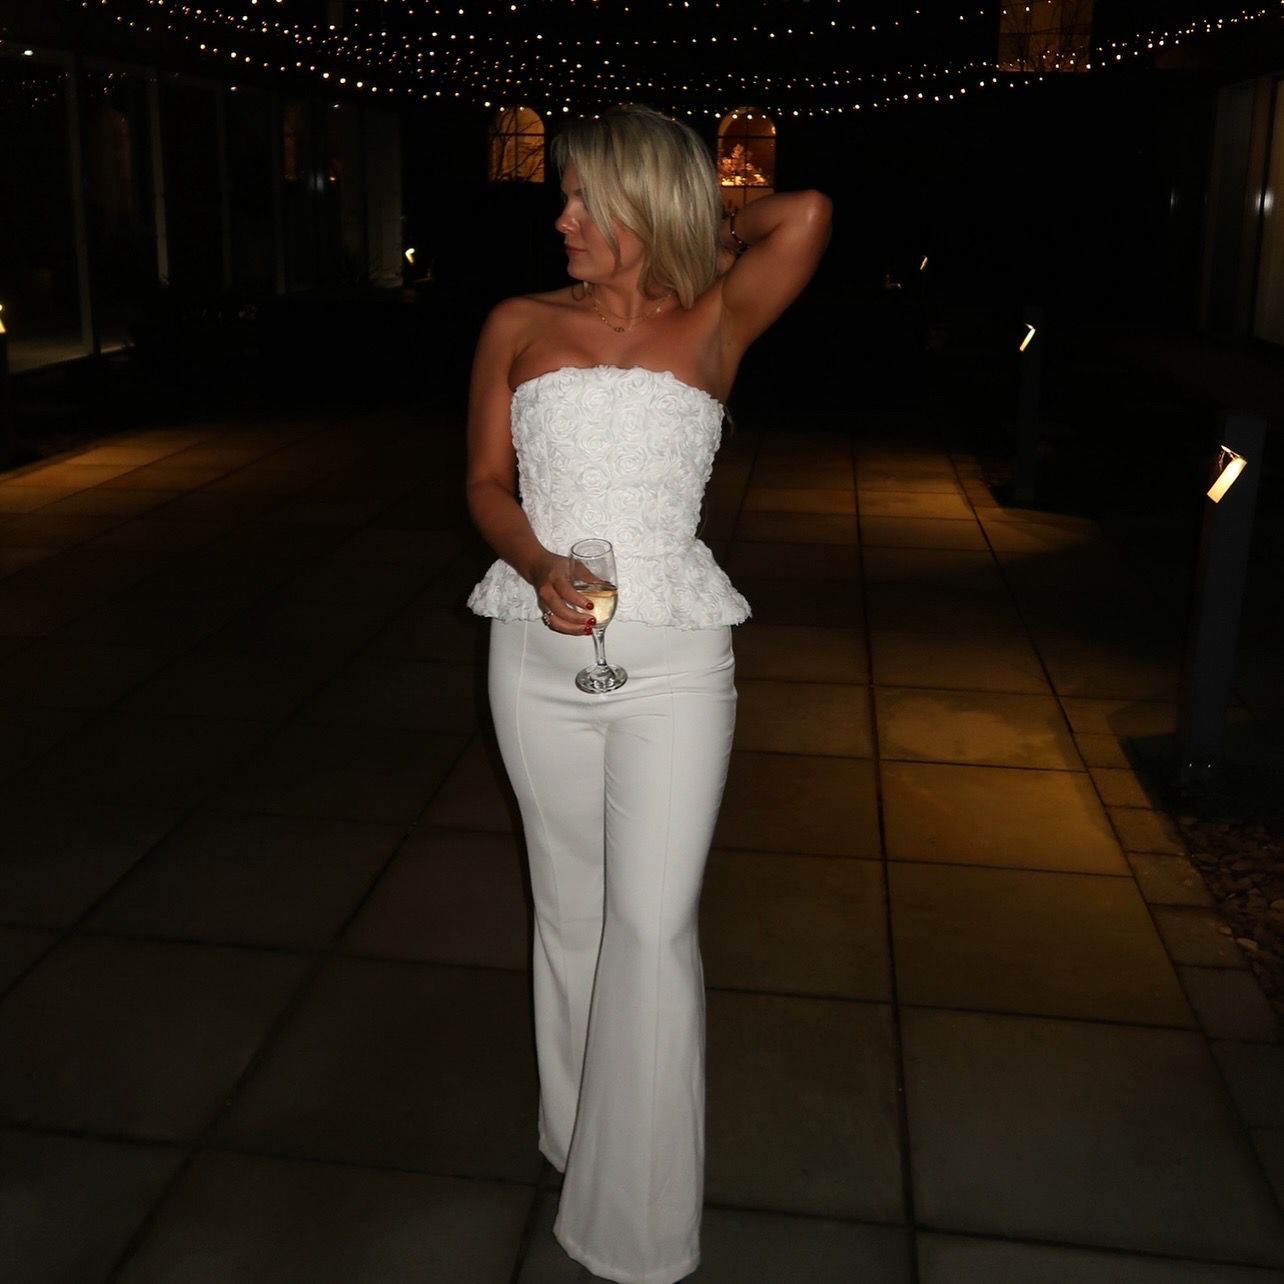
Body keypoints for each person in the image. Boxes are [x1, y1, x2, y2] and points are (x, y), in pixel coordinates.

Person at [466, 104, 830, 1284]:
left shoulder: (716, 317)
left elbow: (805, 214)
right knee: (568, 912)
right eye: (565, 198)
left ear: (642, 200)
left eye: (585, 198)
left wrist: (695, 223)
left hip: (674, 659)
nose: (562, 219)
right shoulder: (518, 324)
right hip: (534, 654)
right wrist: (537, 562)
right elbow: (484, 485)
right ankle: (576, 1130)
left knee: (655, 927)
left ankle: (639, 1222)